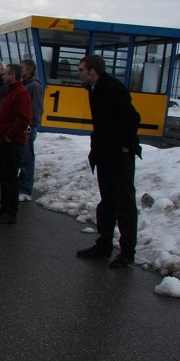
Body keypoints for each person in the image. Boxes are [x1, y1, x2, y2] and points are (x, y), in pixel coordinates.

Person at [75, 54, 142, 268]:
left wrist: (125, 145)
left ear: (93, 71)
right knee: (107, 203)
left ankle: (127, 252)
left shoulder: (112, 87)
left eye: (81, 70)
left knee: (124, 204)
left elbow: (132, 118)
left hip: (119, 155)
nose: (79, 73)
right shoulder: (93, 89)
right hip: (105, 153)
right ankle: (104, 245)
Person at [0, 63, 31, 225]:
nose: (3, 76)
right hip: (4, 140)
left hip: (12, 142)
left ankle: (11, 212)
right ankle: (4, 207)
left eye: (5, 74)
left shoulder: (20, 93)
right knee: (5, 177)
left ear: (13, 76)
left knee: (11, 178)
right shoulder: (10, 91)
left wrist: (10, 135)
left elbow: (24, 117)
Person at [17, 59, 44, 202]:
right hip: (23, 127)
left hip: (28, 128)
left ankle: (26, 190)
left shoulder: (34, 86)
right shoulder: (25, 84)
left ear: (29, 70)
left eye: (22, 68)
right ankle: (21, 185)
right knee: (22, 157)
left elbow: (36, 108)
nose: (20, 70)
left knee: (27, 158)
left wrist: (31, 124)